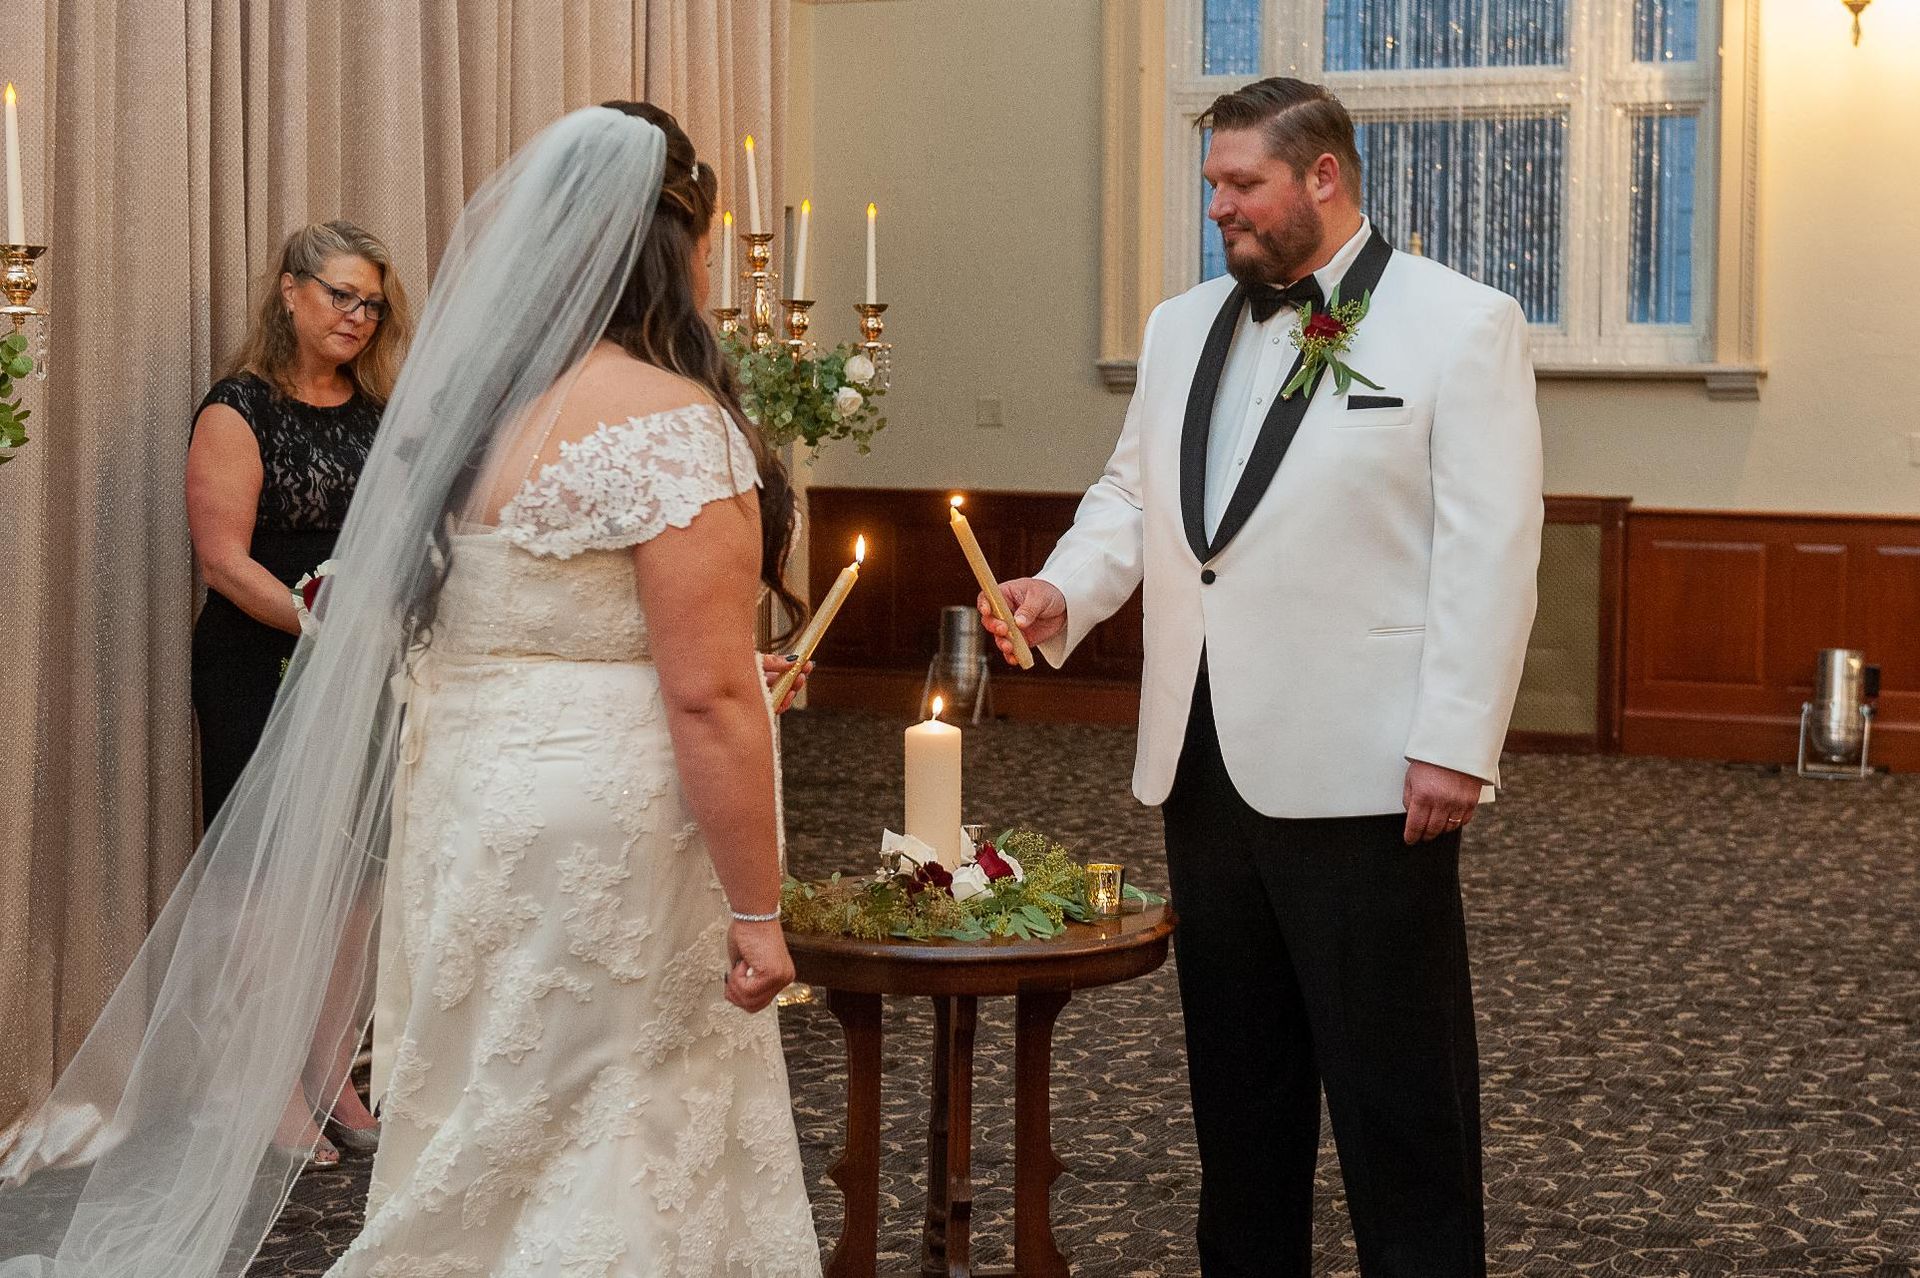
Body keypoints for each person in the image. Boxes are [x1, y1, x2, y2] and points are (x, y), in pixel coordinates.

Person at [1, 103, 818, 1278]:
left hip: (466, 803)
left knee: (489, 1101)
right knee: (620, 1106)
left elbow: (406, 605)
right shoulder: (671, 424)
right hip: (613, 815)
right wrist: (756, 910)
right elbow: (708, 698)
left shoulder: (460, 415)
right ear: (671, 250)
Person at [981, 77, 1543, 1276]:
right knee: (1240, 1097)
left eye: (1243, 187)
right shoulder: (1183, 324)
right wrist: (1063, 590)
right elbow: (1134, 496)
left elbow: (1492, 556)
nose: (1221, 210)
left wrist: (1456, 739)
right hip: (1203, 760)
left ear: (1323, 179)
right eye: (1213, 189)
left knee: (1399, 1102)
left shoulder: (1461, 323)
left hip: (1369, 771)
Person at [187, 218, 413, 1165]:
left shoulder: (378, 407)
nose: (358, 316)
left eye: (372, 302)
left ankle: (332, 1073)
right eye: (340, 296)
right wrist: (325, 628)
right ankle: (263, 1087)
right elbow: (224, 562)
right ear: (289, 292)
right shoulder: (237, 408)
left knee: (359, 880)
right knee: (267, 884)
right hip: (258, 664)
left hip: (364, 672)